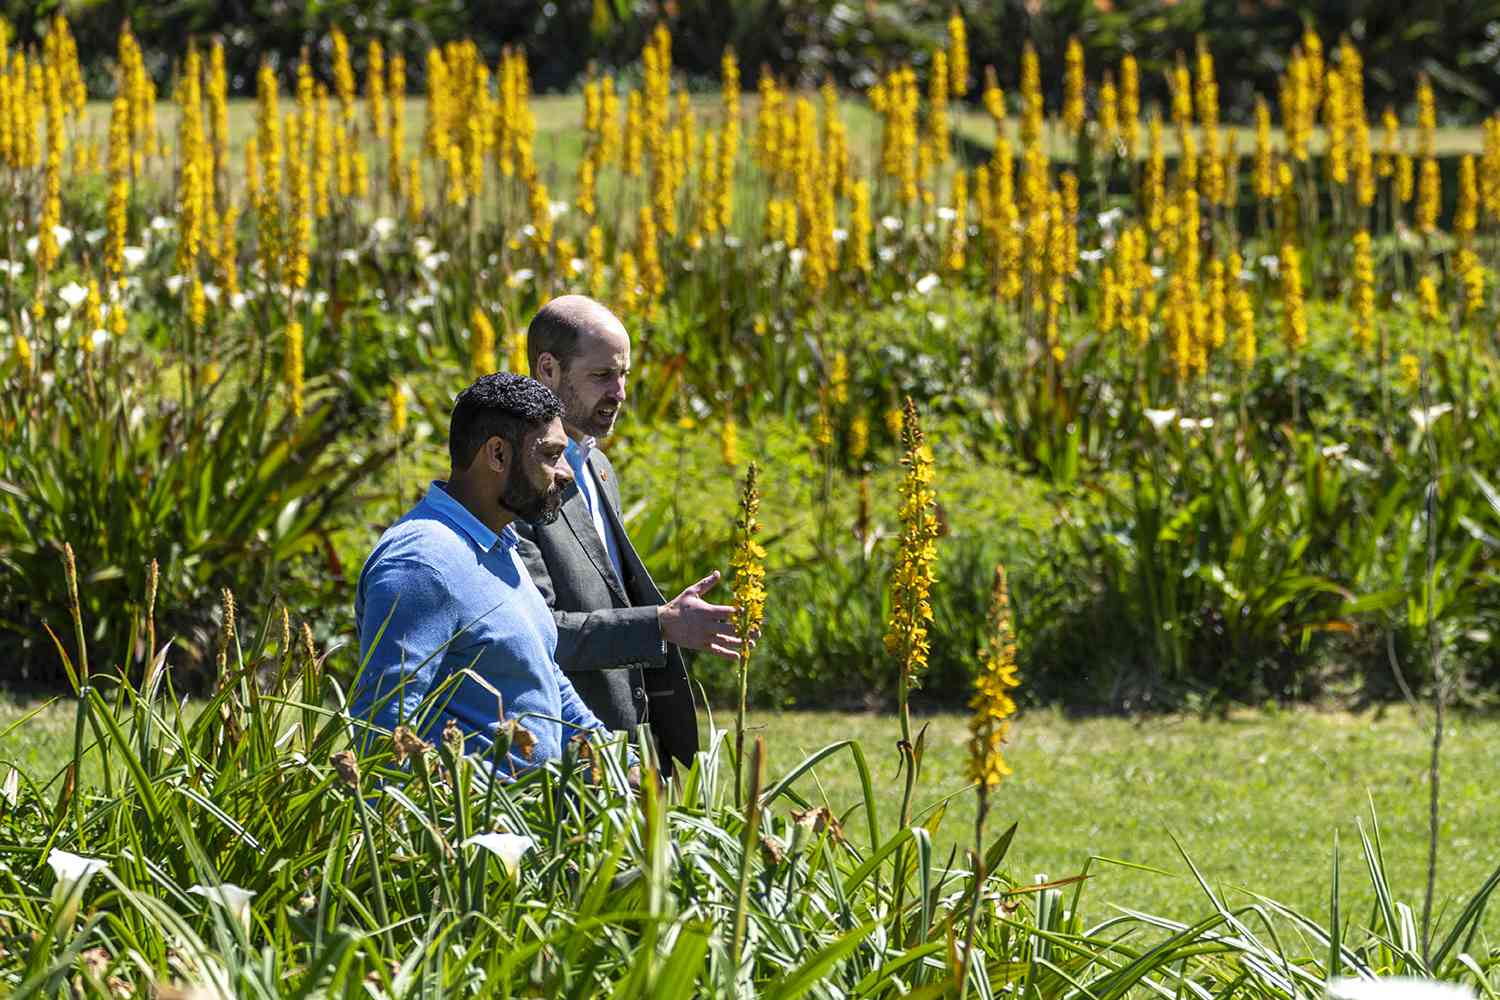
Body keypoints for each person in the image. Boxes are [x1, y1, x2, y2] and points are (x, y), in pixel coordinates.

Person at [350, 372, 628, 777]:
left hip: (535, 829)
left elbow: (541, 677)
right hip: (471, 834)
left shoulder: (501, 544)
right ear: (497, 454)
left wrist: (619, 765)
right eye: (550, 455)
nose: (566, 474)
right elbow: (383, 731)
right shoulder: (423, 564)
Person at [515, 295, 743, 775]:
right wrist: (659, 623)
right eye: (602, 376)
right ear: (548, 370)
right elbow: (534, 633)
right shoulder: (514, 483)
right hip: (565, 753)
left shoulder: (596, 465)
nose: (619, 392)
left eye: (624, 376)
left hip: (628, 746)